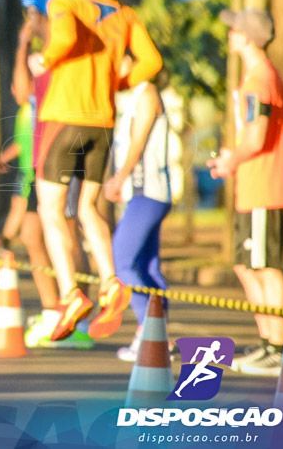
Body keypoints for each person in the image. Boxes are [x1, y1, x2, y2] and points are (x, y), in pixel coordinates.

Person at [27, 0, 162, 341]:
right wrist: (119, 82)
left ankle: (70, 294)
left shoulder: (63, 2)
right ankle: (109, 282)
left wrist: (43, 60)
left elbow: (65, 39)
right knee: (89, 209)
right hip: (102, 123)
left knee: (51, 210)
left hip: (63, 119)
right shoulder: (126, 14)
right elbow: (152, 61)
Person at [207, 7, 283, 376]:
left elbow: (257, 138)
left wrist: (232, 160)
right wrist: (232, 156)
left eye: (234, 30)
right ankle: (267, 344)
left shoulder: (261, 79)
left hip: (265, 187)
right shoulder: (253, 78)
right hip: (251, 186)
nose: (229, 35)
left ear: (246, 37)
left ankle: (281, 348)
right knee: (246, 267)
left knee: (265, 267)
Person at [11, 0, 92, 350]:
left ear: (47, 16)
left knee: (68, 234)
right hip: (39, 161)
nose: (29, 21)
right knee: (32, 235)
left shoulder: (64, 54)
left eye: (32, 14)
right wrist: (22, 46)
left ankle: (79, 317)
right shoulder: (41, 57)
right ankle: (52, 310)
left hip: (66, 155)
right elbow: (20, 92)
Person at [107, 58, 172, 361]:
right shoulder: (135, 96)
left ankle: (150, 332)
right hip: (142, 194)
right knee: (147, 267)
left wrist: (118, 179)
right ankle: (157, 336)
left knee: (121, 262)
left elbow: (138, 143)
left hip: (149, 193)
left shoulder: (147, 94)